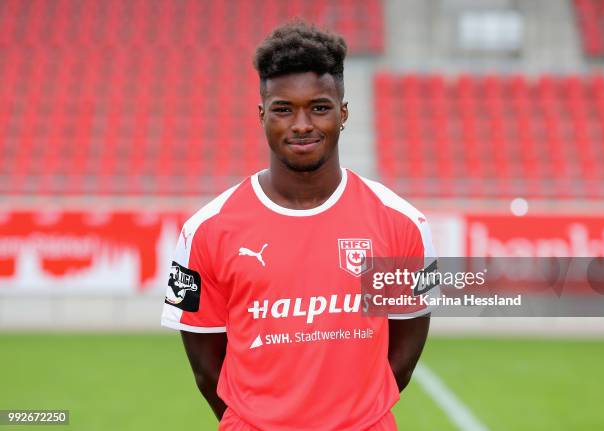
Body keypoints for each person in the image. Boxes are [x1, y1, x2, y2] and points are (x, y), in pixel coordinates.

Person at [161, 21, 435, 431]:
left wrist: (354, 418)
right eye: (284, 109)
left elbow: (408, 341)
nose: (302, 124)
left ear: (343, 113)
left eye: (319, 107)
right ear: (262, 114)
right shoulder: (205, 230)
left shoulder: (403, 224)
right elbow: (205, 367)